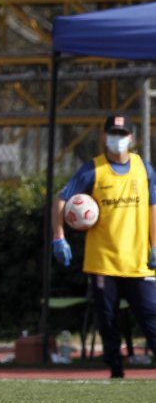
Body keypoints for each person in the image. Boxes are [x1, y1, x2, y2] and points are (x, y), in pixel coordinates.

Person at [52, 114, 156, 378]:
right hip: (103, 263)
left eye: (122, 135)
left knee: (151, 316)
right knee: (107, 320)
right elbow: (61, 200)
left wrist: (155, 245)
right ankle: (116, 370)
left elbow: (153, 208)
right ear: (104, 137)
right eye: (113, 134)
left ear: (131, 138)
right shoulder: (93, 170)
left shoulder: (144, 169)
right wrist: (59, 237)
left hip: (138, 261)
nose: (117, 139)